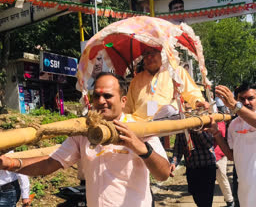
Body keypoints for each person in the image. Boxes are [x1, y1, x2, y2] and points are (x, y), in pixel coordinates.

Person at [0, 73, 170, 207]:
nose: (101, 101)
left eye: (108, 96)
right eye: (97, 96)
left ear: (123, 100)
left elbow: (163, 174)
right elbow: (49, 163)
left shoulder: (139, 129)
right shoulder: (84, 131)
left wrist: (141, 148)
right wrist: (11, 164)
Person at [124, 48, 209, 120]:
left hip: (167, 120)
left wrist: (198, 102)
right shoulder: (136, 80)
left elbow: (191, 92)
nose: (149, 57)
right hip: (139, 123)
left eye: (152, 53)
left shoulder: (175, 72)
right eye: (145, 54)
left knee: (169, 109)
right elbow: (128, 106)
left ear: (162, 54)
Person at [214, 122, 234, 207]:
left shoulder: (218, 119)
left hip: (219, 154)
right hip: (203, 157)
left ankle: (230, 201)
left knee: (222, 177)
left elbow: (222, 133)